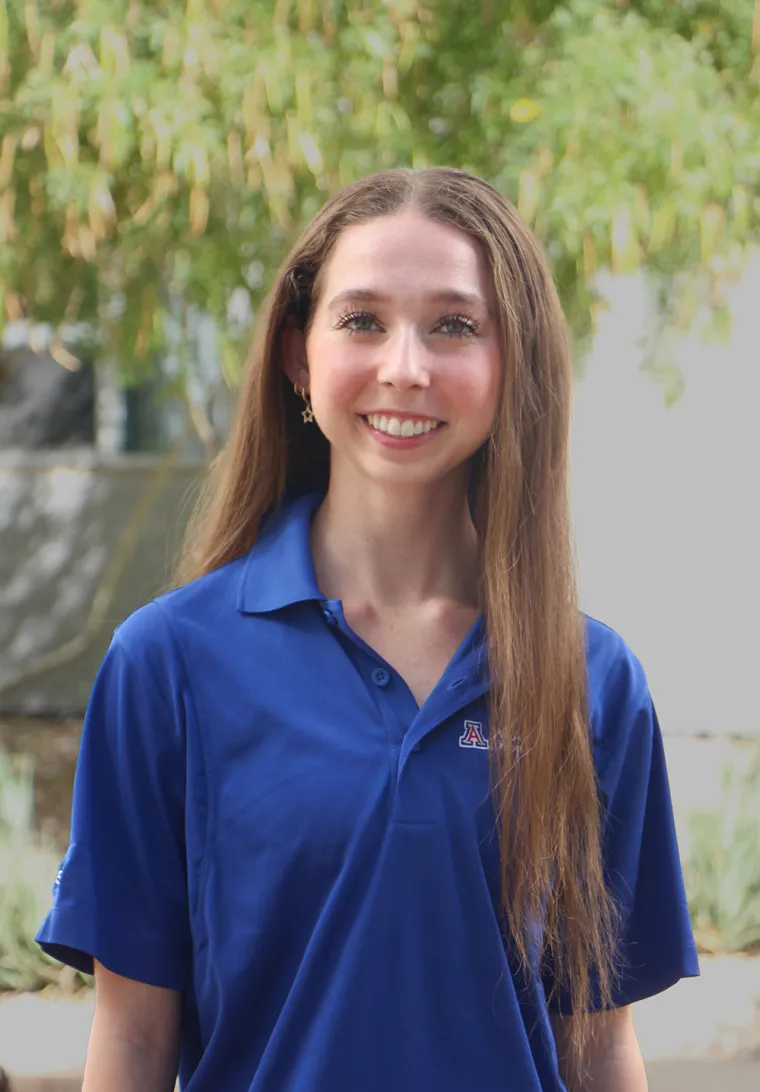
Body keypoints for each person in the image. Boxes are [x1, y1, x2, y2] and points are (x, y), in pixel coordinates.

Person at [36, 167, 698, 1091]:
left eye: (455, 325)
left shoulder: (592, 678)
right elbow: (134, 1041)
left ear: (517, 365)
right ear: (298, 358)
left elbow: (594, 1043)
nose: (405, 367)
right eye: (361, 321)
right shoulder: (168, 664)